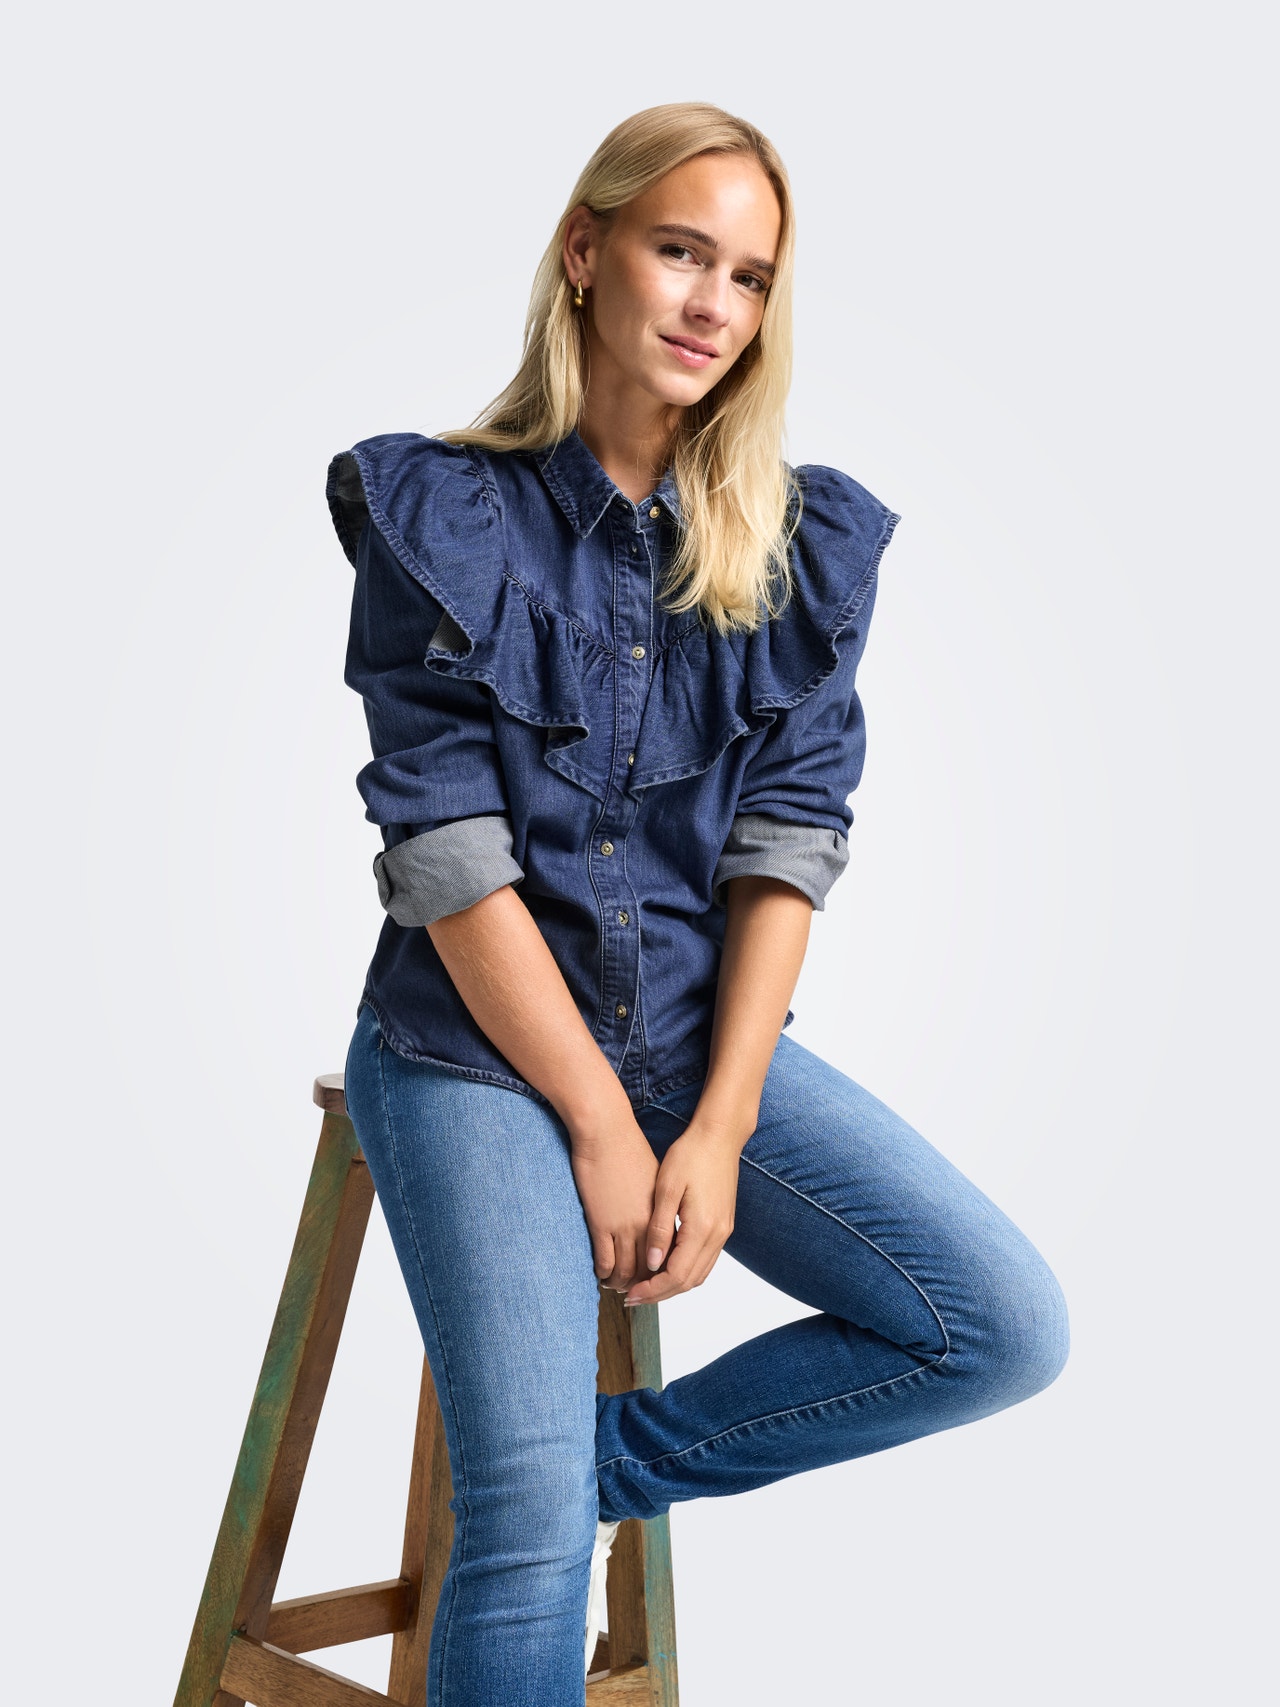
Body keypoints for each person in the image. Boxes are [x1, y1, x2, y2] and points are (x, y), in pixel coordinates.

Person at [327, 101, 1068, 1707]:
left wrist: (717, 1125)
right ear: (586, 252)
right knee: (524, 1539)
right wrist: (600, 1121)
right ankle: (536, 1493)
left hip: (688, 1037)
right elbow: (449, 857)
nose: (712, 303)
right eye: (680, 251)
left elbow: (787, 846)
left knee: (999, 1324)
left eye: (749, 277)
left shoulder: (798, 546)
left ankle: (579, 1467)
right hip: (468, 1049)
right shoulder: (438, 511)